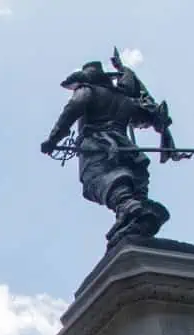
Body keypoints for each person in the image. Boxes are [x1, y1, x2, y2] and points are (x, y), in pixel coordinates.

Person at [40, 60, 171, 247]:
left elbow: (73, 109)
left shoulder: (88, 91)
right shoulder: (124, 99)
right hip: (127, 149)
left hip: (99, 146)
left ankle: (132, 209)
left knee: (99, 180)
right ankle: (132, 217)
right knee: (131, 184)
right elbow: (146, 118)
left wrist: (53, 139)